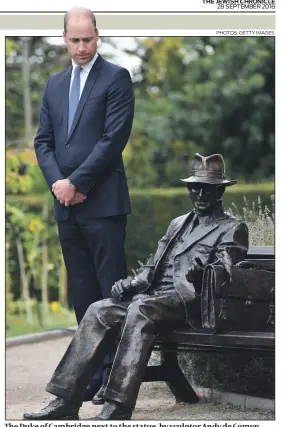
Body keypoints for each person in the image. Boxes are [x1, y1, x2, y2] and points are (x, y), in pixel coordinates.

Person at [23, 153, 249, 421]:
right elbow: (152, 268)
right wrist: (130, 284)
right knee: (100, 310)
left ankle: (117, 404)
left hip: (190, 301)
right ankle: (65, 400)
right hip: (154, 298)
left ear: (220, 190)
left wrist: (202, 272)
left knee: (140, 310)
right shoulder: (178, 223)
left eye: (207, 188)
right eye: (194, 187)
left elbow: (227, 270)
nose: (199, 193)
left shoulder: (232, 228)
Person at [33, 7, 135, 403]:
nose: (81, 47)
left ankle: (114, 377)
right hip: (67, 206)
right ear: (64, 38)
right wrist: (59, 184)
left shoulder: (116, 78)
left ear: (98, 35)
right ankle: (90, 373)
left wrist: (77, 182)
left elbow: (113, 139)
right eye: (74, 40)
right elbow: (43, 142)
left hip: (103, 204)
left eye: (87, 39)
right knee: (81, 293)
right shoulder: (54, 84)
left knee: (111, 295)